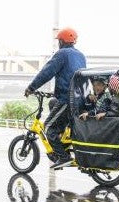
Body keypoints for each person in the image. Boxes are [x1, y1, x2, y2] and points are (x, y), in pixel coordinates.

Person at [24, 28, 86, 169]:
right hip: (78, 99)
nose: (58, 43)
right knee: (53, 103)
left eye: (59, 41)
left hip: (67, 99)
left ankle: (64, 157)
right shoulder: (81, 56)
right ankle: (61, 141)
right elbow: (71, 77)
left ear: (62, 41)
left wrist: (32, 87)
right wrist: (55, 92)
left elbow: (47, 72)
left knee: (49, 127)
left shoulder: (62, 54)